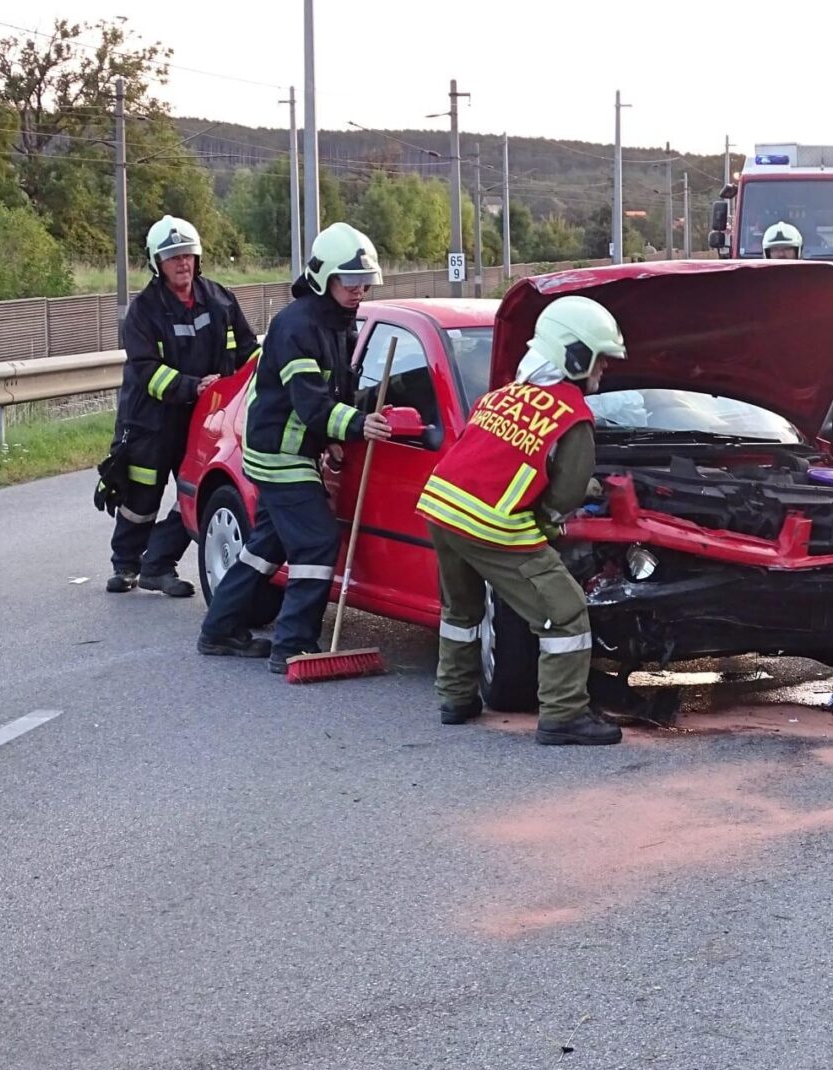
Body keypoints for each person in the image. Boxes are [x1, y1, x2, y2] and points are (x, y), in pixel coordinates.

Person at [416, 295, 628, 746]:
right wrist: (549, 524)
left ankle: (455, 698)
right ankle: (564, 715)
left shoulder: (502, 395)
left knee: (461, 609)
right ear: (575, 355)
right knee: (565, 613)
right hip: (491, 525)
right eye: (600, 360)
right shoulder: (572, 413)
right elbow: (568, 491)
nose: (603, 370)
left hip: (441, 508)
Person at [196, 222, 393, 665]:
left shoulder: (338, 322)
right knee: (317, 541)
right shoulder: (296, 326)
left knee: (267, 546)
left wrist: (334, 437)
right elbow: (312, 404)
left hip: (296, 449)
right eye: (350, 281)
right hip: (279, 456)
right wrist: (359, 425)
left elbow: (333, 393)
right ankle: (292, 644)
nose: (359, 290)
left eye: (365, 282)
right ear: (324, 278)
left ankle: (219, 628)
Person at [98, 215, 259, 597]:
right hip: (151, 419)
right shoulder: (143, 312)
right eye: (172, 258)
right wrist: (193, 386)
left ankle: (159, 565)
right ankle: (125, 565)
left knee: (194, 491)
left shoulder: (220, 299)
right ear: (157, 263)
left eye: (187, 255)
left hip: (206, 419)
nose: (182, 263)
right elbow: (146, 372)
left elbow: (250, 352)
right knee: (142, 495)